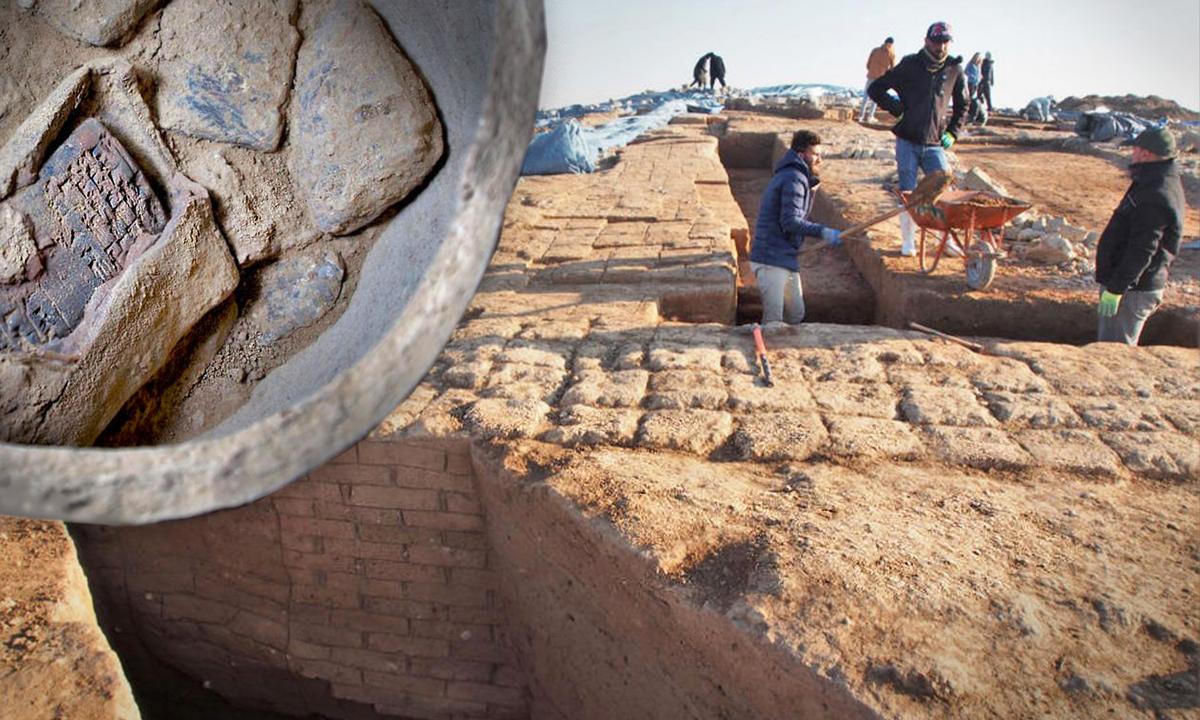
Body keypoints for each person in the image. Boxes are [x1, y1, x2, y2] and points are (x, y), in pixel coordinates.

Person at [868, 21, 969, 256]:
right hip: (908, 141)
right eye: (936, 42)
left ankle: (948, 242)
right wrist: (896, 108)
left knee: (944, 190)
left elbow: (964, 105)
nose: (941, 47)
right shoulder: (910, 65)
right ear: (926, 41)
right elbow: (876, 89)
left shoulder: (954, 70)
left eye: (945, 42)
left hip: (934, 144)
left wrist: (953, 132)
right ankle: (908, 242)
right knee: (908, 192)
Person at [1094, 126, 1184, 345]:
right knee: (1108, 349)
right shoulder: (1153, 180)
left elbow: (1143, 250)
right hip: (1129, 286)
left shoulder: (1156, 193)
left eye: (1134, 149)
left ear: (1145, 153)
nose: (1131, 154)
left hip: (1132, 292)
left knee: (1114, 353)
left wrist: (1117, 289)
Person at [748, 130, 842, 324]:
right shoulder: (793, 178)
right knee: (774, 320)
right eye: (815, 154)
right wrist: (822, 231)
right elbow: (790, 221)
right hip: (770, 258)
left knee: (796, 314)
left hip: (785, 257)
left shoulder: (797, 177)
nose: (819, 159)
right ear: (801, 155)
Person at [859, 37, 895, 123]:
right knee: (875, 98)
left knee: (866, 97)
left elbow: (868, 64)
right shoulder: (891, 54)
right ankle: (869, 117)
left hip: (871, 76)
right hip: (880, 78)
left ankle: (861, 116)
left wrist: (871, 71)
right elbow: (893, 69)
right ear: (890, 44)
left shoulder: (875, 50)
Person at [964, 52, 982, 124]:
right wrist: (971, 76)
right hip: (970, 83)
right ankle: (969, 112)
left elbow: (979, 75)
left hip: (976, 84)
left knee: (975, 98)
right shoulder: (970, 65)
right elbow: (966, 72)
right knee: (971, 97)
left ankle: (973, 113)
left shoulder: (978, 66)